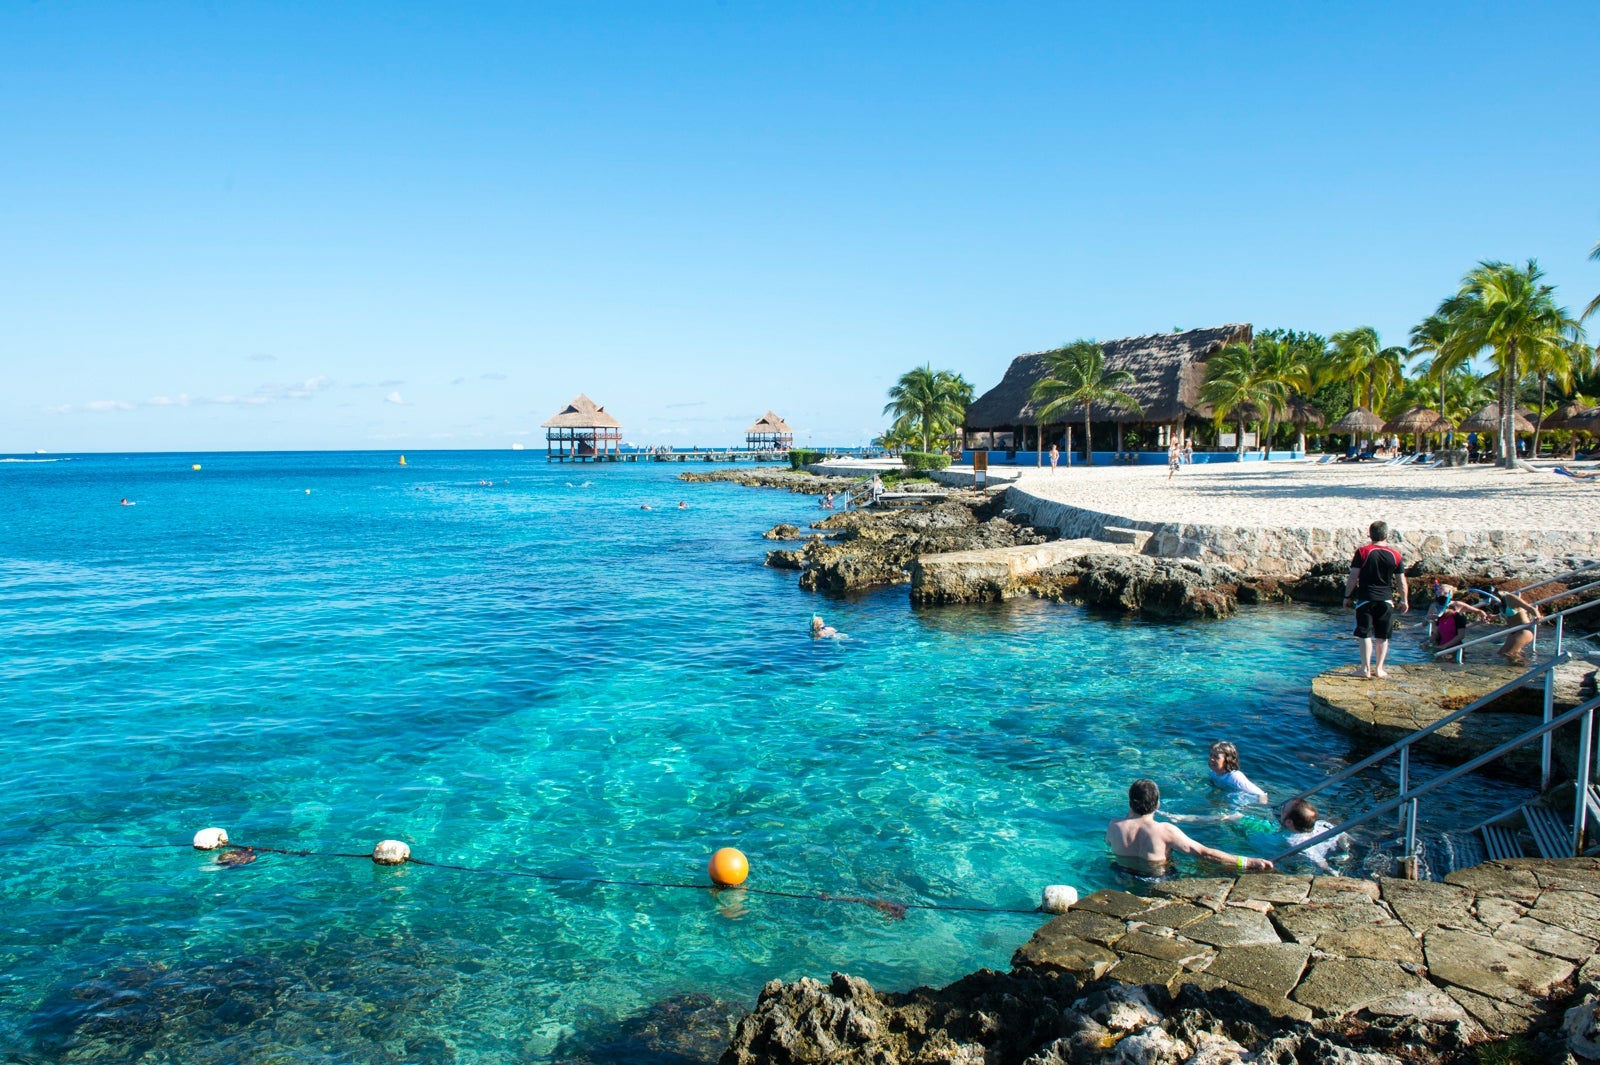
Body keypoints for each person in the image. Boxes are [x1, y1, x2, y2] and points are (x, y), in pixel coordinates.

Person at [1106, 779, 1274, 873]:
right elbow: (1204, 853)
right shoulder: (1164, 830)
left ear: (1130, 802)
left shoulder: (1114, 825)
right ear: (1158, 805)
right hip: (1154, 878)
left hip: (1121, 874)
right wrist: (1247, 862)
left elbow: (1109, 844)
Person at [1343, 520, 1409, 679]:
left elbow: (1353, 577)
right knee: (1382, 636)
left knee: (1364, 634)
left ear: (1369, 535)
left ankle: (1365, 669)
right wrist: (1404, 600)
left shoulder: (1362, 552)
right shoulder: (1395, 555)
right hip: (1386, 600)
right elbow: (1401, 581)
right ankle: (1379, 669)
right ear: (1387, 535)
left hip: (1366, 599)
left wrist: (1347, 596)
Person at [1279, 799, 1350, 873]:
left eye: (1283, 809)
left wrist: (1333, 872)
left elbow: (1321, 863)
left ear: (1289, 822)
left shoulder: (1297, 842)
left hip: (1332, 854)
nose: (1281, 808)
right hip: (1340, 843)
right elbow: (1341, 833)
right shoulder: (1322, 823)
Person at [1495, 589, 1541, 662]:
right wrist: (1493, 617)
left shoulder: (1510, 598)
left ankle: (1528, 669)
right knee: (1501, 654)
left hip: (1524, 630)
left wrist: (1537, 616)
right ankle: (1519, 671)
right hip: (1513, 631)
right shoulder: (1500, 602)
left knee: (1509, 653)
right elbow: (1507, 614)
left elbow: (1529, 608)